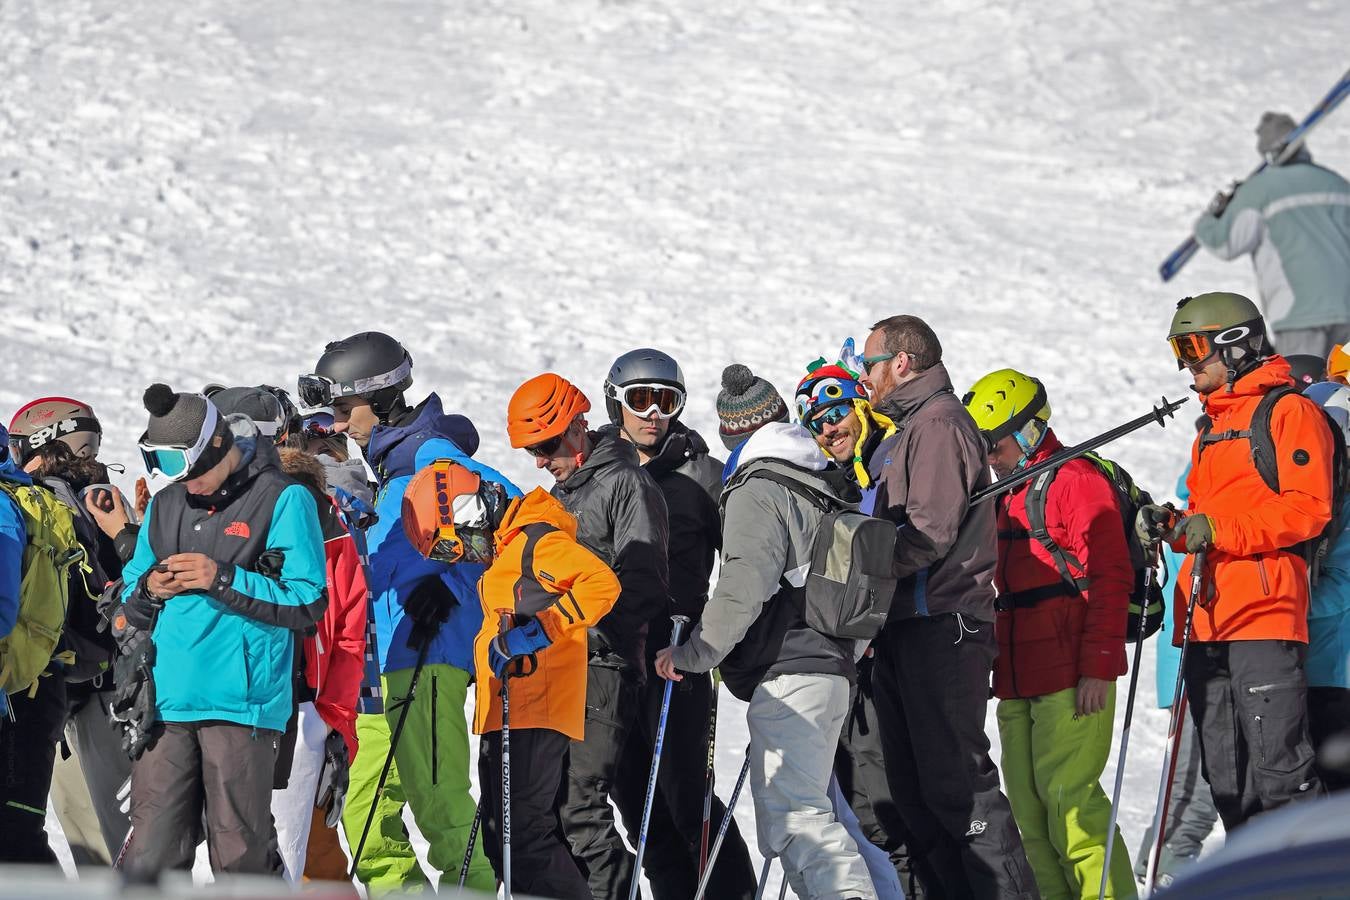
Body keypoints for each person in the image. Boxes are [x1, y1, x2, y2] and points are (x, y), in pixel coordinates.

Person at [655, 363, 876, 900]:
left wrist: (696, 653)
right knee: (807, 818)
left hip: (791, 670)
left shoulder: (758, 486)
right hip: (833, 667)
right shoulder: (824, 480)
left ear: (735, 438)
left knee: (798, 819)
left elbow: (744, 581)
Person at [301, 332, 508, 891]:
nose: (339, 425)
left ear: (384, 396)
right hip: (378, 668)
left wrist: (456, 588)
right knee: (364, 812)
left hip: (429, 658)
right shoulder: (391, 475)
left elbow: (512, 530)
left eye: (345, 409)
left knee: (439, 803)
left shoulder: (434, 460)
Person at [858, 315, 1038, 899]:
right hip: (907, 626)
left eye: (869, 364)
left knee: (958, 789)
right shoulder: (904, 430)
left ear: (901, 363)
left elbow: (929, 532)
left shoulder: (937, 424)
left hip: (942, 622)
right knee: (914, 794)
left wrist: (859, 560)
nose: (865, 377)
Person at [1139, 291, 1330, 831]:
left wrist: (1216, 528)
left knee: (1280, 777)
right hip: (1206, 621)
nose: (1187, 362)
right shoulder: (1210, 430)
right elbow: (1207, 521)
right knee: (1227, 781)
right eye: (1180, 347)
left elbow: (1307, 509)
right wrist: (1171, 525)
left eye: (1195, 345)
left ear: (1237, 344)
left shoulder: (1288, 412)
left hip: (1263, 616)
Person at [119, 385, 327, 876]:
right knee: (149, 855)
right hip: (166, 701)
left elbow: (308, 600)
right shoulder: (167, 504)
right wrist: (150, 587)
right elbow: (128, 595)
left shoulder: (283, 498)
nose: (186, 485)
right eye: (174, 473)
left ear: (217, 447)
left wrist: (223, 577)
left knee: (240, 855)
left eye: (191, 472)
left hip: (242, 703)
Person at [404, 460, 620, 898]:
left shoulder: (536, 541)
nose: (461, 557)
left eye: (451, 547)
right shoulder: (508, 549)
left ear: (469, 513)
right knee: (500, 837)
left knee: (522, 836)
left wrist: (541, 630)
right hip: (507, 710)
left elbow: (601, 583)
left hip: (535, 708)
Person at [963, 368, 1136, 898]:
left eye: (995, 444)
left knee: (1071, 808)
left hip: (1070, 676)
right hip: (1017, 680)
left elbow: (1110, 576)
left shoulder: (1075, 481)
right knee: (1031, 819)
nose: (990, 457)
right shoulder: (1006, 493)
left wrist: (1099, 666)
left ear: (1030, 431)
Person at [601, 348, 757, 900]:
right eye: (639, 399)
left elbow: (748, 561)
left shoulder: (705, 476)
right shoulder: (599, 474)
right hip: (614, 657)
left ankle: (731, 892)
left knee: (687, 793)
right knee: (634, 798)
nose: (652, 413)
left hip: (677, 655)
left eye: (666, 401)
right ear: (615, 400)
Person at [507, 372, 670, 900]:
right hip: (561, 669)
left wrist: (577, 626)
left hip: (601, 669)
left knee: (580, 809)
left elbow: (643, 585)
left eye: (546, 444)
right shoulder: (565, 492)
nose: (539, 459)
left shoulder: (626, 483)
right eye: (533, 449)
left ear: (577, 427)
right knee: (551, 809)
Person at [794, 357, 922, 899]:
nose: (828, 427)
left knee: (890, 802)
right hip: (854, 657)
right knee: (860, 801)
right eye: (816, 421)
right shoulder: (840, 476)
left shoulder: (891, 457)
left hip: (903, 647)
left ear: (860, 406)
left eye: (837, 411)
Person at [8, 397, 132, 869]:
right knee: (117, 836)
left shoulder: (36, 505)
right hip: (109, 687)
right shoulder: (104, 499)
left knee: (87, 835)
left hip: (51, 684)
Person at [1132, 433, 1218, 887]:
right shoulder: (1195, 526)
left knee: (1197, 780)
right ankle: (1164, 872)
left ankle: (1158, 866)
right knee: (1195, 783)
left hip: (1192, 660)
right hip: (1194, 661)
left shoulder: (1189, 520)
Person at [1193, 111, 1350, 358]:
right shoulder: (1338, 184)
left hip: (1298, 314)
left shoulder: (1259, 190)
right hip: (1346, 309)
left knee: (1303, 391)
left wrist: (1210, 218)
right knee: (1341, 391)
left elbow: (1225, 244)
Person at [0, 423, 69, 865]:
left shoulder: (5, 511)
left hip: (21, 695)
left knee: (16, 842)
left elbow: (3, 608)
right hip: (29, 685)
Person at [1302, 381, 1350, 792]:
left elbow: (1343, 585)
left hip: (1336, 675)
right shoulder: (1324, 498)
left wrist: (1284, 603)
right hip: (1308, 670)